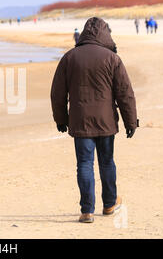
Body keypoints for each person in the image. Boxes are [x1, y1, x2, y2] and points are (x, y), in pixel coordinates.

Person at [50, 17, 138, 224]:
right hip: (106, 121)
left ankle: (87, 211)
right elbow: (125, 93)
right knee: (106, 162)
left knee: (84, 164)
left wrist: (61, 119)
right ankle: (109, 204)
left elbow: (57, 93)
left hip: (80, 121)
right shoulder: (112, 58)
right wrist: (130, 121)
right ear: (105, 34)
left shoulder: (70, 57)